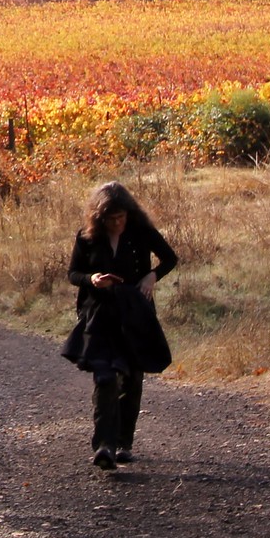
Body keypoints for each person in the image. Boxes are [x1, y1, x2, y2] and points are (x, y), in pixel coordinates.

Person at [63, 181, 178, 470]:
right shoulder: (88, 237)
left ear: (129, 213)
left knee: (132, 377)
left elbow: (170, 258)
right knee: (104, 375)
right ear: (100, 217)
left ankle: (124, 442)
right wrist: (92, 279)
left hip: (134, 313)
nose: (117, 223)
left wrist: (151, 277)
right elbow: (73, 273)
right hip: (98, 313)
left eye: (121, 217)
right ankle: (104, 445)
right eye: (111, 218)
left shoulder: (141, 232)